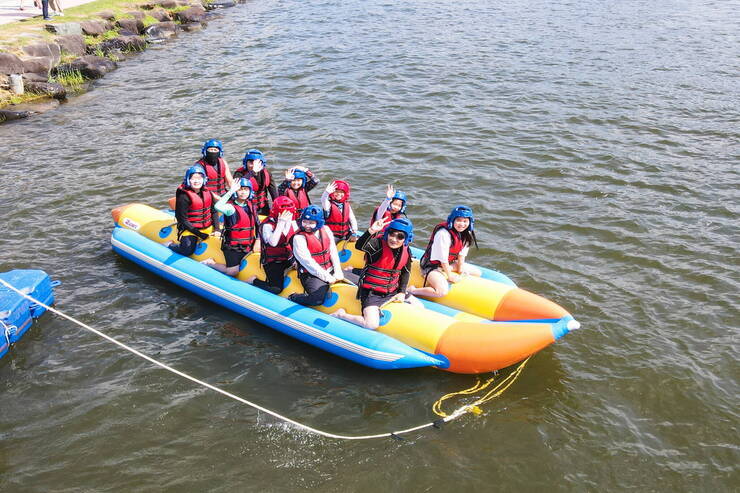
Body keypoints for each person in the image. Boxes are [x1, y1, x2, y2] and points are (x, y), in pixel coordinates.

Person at [332, 218, 414, 330]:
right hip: (372, 293)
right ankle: (341, 315)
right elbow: (359, 246)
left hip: (392, 290)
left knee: (418, 305)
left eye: (400, 237)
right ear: (387, 233)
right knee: (371, 324)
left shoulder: (406, 251)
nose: (394, 239)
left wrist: (401, 292)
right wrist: (371, 230)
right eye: (392, 234)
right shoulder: (378, 245)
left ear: (406, 239)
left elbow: (406, 272)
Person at [406, 206, 481, 298]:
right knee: (441, 292)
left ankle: (445, 271)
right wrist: (450, 276)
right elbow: (443, 259)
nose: (462, 224)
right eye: (458, 220)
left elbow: (461, 255)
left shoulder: (466, 234)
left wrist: (460, 269)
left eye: (465, 221)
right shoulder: (443, 234)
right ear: (452, 220)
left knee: (477, 273)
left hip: (449, 264)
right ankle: (413, 290)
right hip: (432, 267)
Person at [201, 179, 258, 277]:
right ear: (236, 191)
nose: (243, 192)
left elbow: (258, 225)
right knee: (233, 272)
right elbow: (217, 206)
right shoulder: (230, 208)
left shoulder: (251, 206)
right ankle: (210, 263)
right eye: (240, 189)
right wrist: (231, 191)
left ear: (250, 191)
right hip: (233, 247)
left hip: (248, 244)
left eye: (246, 189)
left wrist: (258, 240)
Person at [288, 205, 343, 306]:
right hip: (310, 273)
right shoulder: (299, 238)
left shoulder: (326, 229)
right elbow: (308, 263)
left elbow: (333, 251)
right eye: (305, 221)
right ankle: (294, 297)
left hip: (329, 268)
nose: (307, 225)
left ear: (319, 223)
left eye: (311, 223)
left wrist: (338, 271)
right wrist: (327, 277)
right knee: (317, 300)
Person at [248, 196, 298, 294]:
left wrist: (296, 260)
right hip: (273, 261)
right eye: (285, 213)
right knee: (276, 289)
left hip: (288, 257)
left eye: (289, 213)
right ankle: (253, 281)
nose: (288, 216)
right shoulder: (267, 225)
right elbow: (273, 242)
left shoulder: (293, 223)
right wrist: (281, 222)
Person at [168, 165, 221, 256]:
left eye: (199, 178)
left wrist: (217, 229)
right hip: (191, 229)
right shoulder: (183, 196)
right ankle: (170, 245)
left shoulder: (207, 192)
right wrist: (199, 234)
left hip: (208, 226)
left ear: (204, 179)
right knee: (187, 250)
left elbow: (214, 211)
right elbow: (183, 220)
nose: (197, 181)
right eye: (193, 178)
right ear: (188, 180)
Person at [232, 149, 277, 215]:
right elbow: (236, 187)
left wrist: (277, 205)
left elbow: (274, 192)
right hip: (246, 207)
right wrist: (252, 172)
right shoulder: (239, 174)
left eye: (257, 162)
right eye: (251, 162)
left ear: (262, 163)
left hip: (263, 207)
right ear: (245, 163)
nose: (254, 165)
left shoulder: (267, 173)